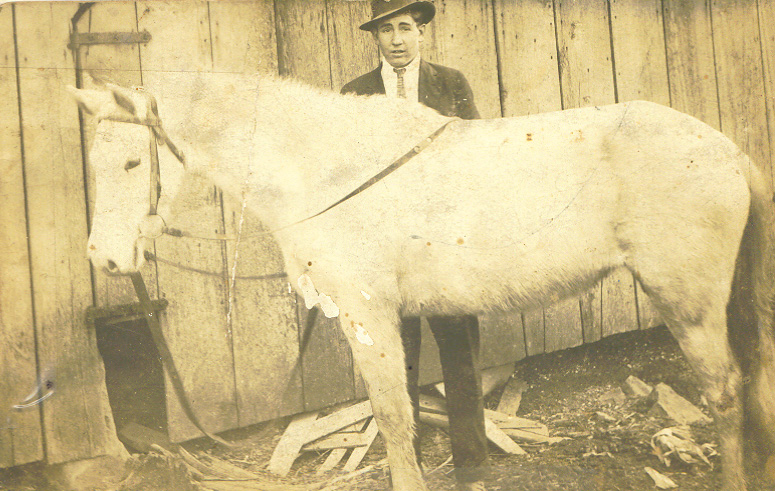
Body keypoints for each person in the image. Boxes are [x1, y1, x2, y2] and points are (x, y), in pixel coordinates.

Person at [341, 2, 486, 490]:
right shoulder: (355, 94)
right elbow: (345, 174)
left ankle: (472, 473)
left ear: (420, 32)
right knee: (398, 365)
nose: (397, 39)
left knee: (461, 361)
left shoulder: (451, 84)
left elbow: (477, 156)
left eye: (405, 28)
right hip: (386, 257)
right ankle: (411, 473)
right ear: (376, 38)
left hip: (444, 251)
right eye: (387, 30)